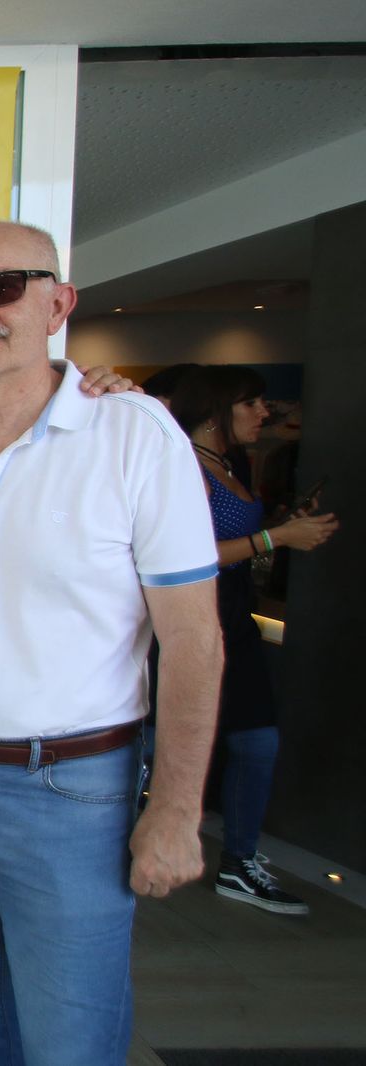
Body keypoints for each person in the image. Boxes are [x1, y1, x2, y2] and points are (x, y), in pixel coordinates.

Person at [0, 222, 224, 1066]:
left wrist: (176, 809)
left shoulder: (136, 436)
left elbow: (193, 641)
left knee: (70, 1041)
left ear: (57, 304)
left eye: (1, 289)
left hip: (74, 790)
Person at [170, 364, 338, 915]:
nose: (264, 413)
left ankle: (238, 860)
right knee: (157, 738)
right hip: (192, 616)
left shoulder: (229, 463)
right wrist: (277, 537)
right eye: (251, 403)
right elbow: (188, 554)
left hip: (234, 616)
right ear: (216, 410)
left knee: (256, 741)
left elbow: (237, 539)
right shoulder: (184, 465)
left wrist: (283, 527)